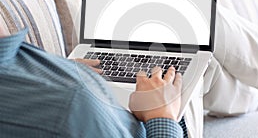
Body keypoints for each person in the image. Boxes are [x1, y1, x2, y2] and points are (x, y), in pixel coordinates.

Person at [0, 27, 186, 138]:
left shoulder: (12, 53)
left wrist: (61, 69)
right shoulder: (73, 104)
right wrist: (162, 118)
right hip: (153, 126)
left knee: (205, 73)